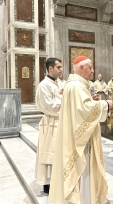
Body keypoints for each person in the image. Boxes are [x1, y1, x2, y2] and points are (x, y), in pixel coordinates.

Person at [48, 56, 113, 204]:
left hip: (75, 133)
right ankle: (84, 201)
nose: (93, 70)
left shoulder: (74, 84)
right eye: (90, 67)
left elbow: (82, 107)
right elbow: (85, 110)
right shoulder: (76, 86)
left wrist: (93, 101)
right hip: (82, 142)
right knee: (83, 171)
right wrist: (105, 104)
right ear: (81, 68)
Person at [35, 57, 63, 194]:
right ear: (50, 68)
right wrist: (64, 98)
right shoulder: (43, 85)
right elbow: (49, 106)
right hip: (50, 123)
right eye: (58, 67)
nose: (61, 70)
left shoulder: (60, 83)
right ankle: (48, 184)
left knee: (59, 155)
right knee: (49, 155)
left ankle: (58, 181)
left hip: (61, 122)